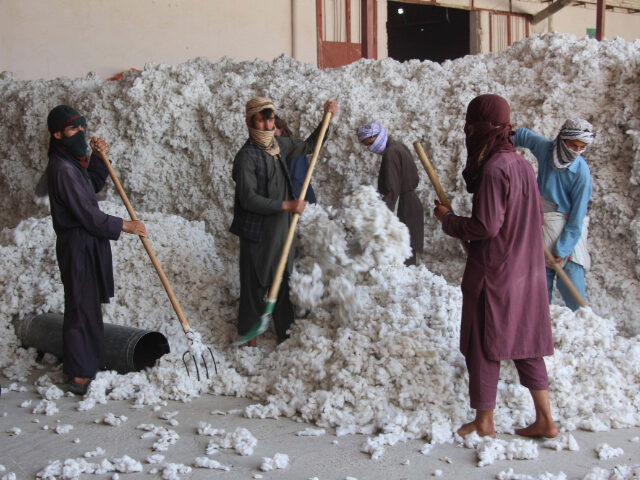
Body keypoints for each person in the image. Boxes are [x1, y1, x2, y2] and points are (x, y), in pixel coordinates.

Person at [433, 94, 557, 439]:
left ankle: (484, 421)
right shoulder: (521, 165)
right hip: (526, 271)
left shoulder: (493, 170)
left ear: (481, 128)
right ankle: (546, 419)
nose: (468, 133)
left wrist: (449, 220)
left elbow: (486, 226)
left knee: (483, 344)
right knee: (525, 343)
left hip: (494, 272)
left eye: (471, 126)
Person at [46, 105, 147, 395]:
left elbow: (90, 186)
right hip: (77, 245)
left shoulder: (72, 163)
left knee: (88, 306)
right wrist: (125, 226)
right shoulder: (62, 168)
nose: (80, 133)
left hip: (87, 243)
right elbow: (87, 214)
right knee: (80, 307)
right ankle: (79, 375)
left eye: (82, 127)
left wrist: (98, 159)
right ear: (57, 134)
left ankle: (87, 365)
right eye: (73, 129)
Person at [230, 97, 338, 347]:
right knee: (256, 282)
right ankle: (249, 339)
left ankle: (284, 333)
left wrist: (327, 119)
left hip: (282, 229)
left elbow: (311, 145)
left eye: (270, 119)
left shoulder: (280, 144)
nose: (267, 125)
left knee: (283, 278)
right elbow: (248, 199)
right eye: (261, 119)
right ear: (249, 121)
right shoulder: (246, 157)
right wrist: (287, 205)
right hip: (258, 233)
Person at [513, 119, 594, 311]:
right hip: (543, 222)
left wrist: (562, 249)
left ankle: (582, 324)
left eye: (581, 147)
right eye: (573, 145)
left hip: (567, 230)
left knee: (572, 282)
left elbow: (577, 216)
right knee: (540, 281)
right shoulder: (547, 149)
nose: (576, 151)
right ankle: (541, 323)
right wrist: (502, 144)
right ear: (562, 139)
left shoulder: (580, 172)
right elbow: (524, 135)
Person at [356, 122, 424, 265]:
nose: (370, 148)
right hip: (410, 202)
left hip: (404, 205)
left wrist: (383, 217)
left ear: (376, 135)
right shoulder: (399, 146)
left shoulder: (390, 153)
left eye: (370, 143)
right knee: (407, 247)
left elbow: (392, 189)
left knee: (404, 249)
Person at [274, 115, 317, 203]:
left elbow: (296, 180)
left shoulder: (292, 150)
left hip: (299, 204)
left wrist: (292, 204)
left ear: (281, 129)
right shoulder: (275, 151)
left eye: (272, 129)